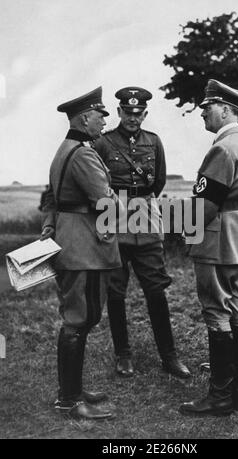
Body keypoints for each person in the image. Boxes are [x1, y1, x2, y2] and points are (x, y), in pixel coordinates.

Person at [93, 86, 190, 379]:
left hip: (146, 215)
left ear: (144, 114)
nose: (133, 118)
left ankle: (169, 357)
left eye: (138, 113)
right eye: (127, 112)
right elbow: (97, 180)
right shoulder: (104, 142)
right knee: (116, 290)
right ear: (119, 112)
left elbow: (158, 181)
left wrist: (141, 202)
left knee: (156, 288)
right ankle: (123, 355)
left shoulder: (154, 141)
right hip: (114, 214)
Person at [40, 86, 122, 420]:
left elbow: (52, 200)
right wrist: (114, 197)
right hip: (84, 247)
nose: (104, 121)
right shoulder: (84, 154)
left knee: (81, 318)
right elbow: (105, 203)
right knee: (79, 319)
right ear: (84, 117)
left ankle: (72, 391)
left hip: (73, 242)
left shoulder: (66, 149)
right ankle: (69, 400)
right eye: (100, 116)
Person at [179, 80, 238, 417]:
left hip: (217, 238)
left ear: (225, 109)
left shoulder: (222, 148)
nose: (202, 113)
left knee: (216, 312)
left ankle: (220, 396)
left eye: (207, 107)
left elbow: (205, 206)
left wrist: (184, 230)